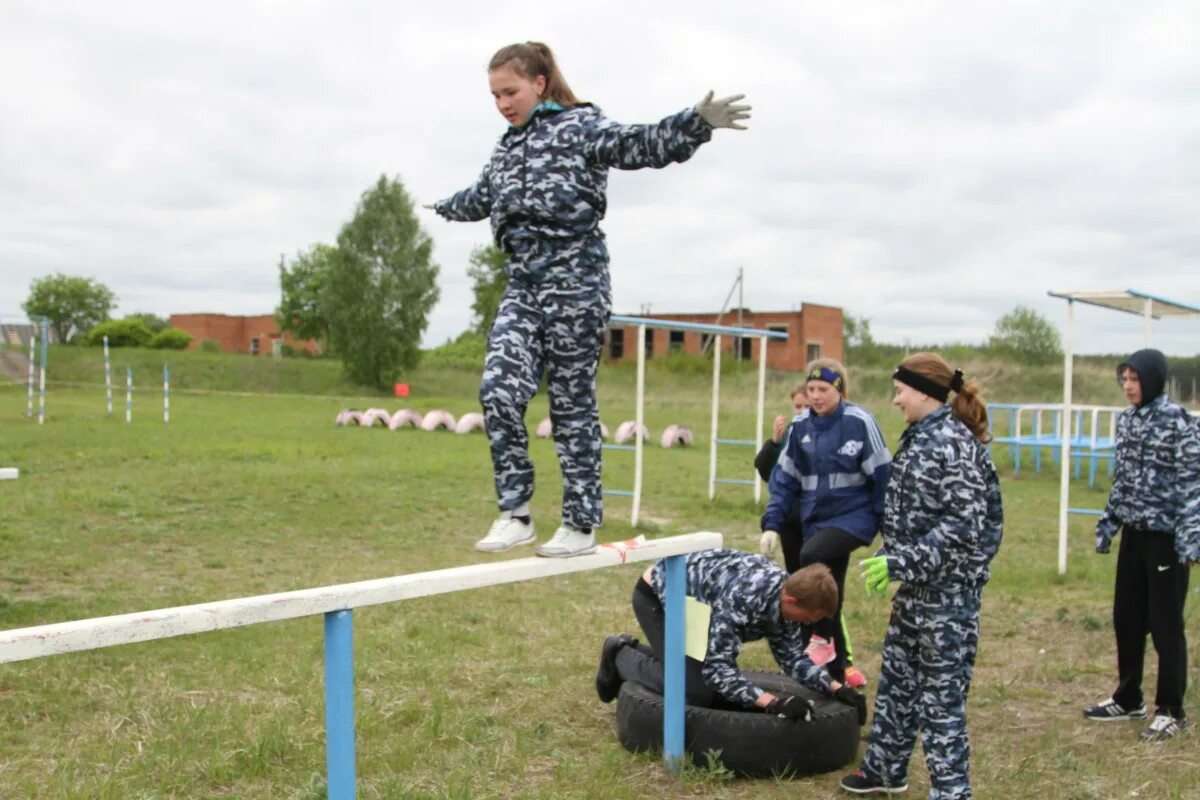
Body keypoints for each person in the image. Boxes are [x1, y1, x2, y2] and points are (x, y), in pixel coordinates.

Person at [426, 42, 750, 558]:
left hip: (575, 282)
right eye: (494, 96)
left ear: (539, 82)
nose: (502, 103)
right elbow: (482, 196)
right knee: (497, 391)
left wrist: (695, 122)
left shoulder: (581, 126)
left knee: (571, 404)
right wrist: (445, 205)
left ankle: (579, 523)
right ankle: (516, 512)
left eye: (509, 92)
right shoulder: (506, 148)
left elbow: (639, 145)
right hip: (523, 286)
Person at [840, 353, 1003, 798]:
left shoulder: (952, 443)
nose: (895, 400)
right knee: (897, 683)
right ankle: (886, 770)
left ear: (924, 392)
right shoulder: (920, 437)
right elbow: (918, 516)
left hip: (948, 599)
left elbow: (964, 528)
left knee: (940, 701)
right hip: (917, 590)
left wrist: (900, 563)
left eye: (900, 391)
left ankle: (951, 791)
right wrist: (889, 555)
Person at [595, 548, 867, 725]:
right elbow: (718, 670)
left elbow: (793, 659)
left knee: (701, 676)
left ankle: (644, 653)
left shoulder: (786, 602)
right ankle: (619, 654)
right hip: (660, 597)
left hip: (699, 609)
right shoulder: (744, 599)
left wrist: (837, 688)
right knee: (695, 691)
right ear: (792, 600)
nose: (810, 624)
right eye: (809, 618)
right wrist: (774, 703)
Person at [1084, 349, 1199, 742]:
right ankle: (1128, 696)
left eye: (1136, 380)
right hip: (1134, 535)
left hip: (1167, 539)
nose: (1129, 387)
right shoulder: (1127, 422)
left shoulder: (1180, 424)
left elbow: (1192, 486)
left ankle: (1171, 710)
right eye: (1125, 380)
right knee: (1126, 618)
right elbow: (1124, 478)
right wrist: (1109, 522)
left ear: (1153, 381)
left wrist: (1190, 542)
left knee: (1166, 625)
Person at [759, 359, 890, 686]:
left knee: (810, 557)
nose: (816, 396)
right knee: (833, 593)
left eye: (823, 389)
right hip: (816, 518)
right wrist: (772, 525)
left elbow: (884, 478)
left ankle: (818, 638)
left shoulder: (860, 422)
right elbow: (784, 480)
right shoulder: (801, 427)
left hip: (855, 518)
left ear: (840, 390)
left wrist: (892, 533)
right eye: (812, 389)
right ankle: (833, 678)